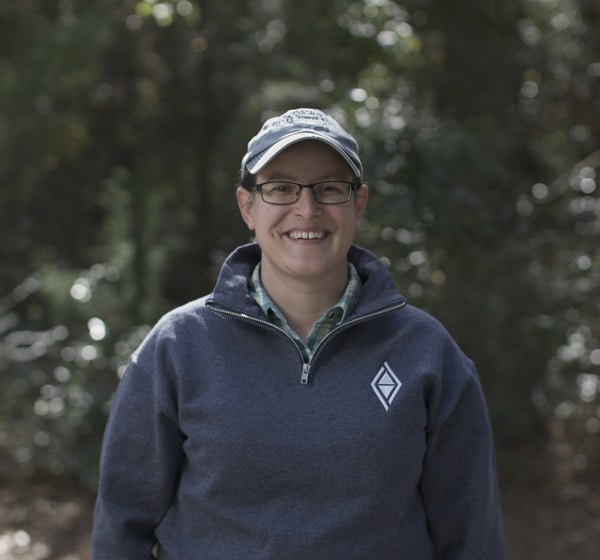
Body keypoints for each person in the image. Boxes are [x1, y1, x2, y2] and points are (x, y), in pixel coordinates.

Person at [92, 108, 507, 559]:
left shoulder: (428, 353)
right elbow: (121, 523)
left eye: (329, 188)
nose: (306, 209)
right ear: (247, 206)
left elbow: (473, 536)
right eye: (281, 188)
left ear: (359, 204)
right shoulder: (178, 346)